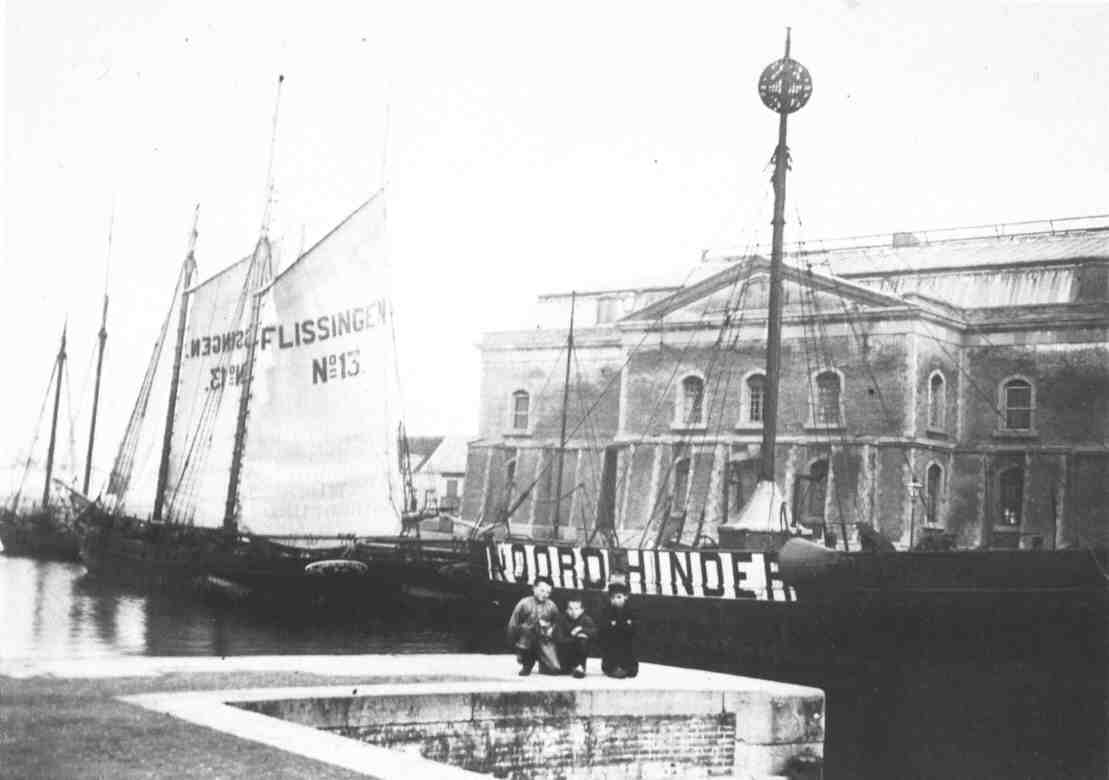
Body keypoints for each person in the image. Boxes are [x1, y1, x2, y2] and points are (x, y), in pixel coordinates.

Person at [505, 576, 562, 675]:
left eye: (548, 592)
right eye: (542, 591)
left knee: (554, 669)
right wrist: (514, 644)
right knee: (527, 630)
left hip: (544, 639)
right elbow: (513, 625)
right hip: (526, 638)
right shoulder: (524, 603)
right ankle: (527, 663)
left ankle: (542, 661)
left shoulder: (552, 606)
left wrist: (550, 628)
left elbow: (558, 624)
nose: (545, 594)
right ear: (534, 588)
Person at [600, 582, 638, 679]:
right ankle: (612, 667)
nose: (616, 600)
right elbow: (604, 626)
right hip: (612, 640)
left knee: (629, 644)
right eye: (612, 598)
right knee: (612, 642)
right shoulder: (607, 609)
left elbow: (634, 625)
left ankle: (628, 667)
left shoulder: (630, 609)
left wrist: (621, 625)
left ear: (626, 597)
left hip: (626, 638)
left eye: (619, 597)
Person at [557, 597, 597, 679]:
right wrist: (575, 638)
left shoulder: (586, 619)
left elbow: (595, 632)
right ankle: (568, 667)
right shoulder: (562, 620)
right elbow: (559, 639)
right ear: (566, 610)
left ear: (582, 610)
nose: (573, 612)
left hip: (580, 651)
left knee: (583, 639)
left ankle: (580, 667)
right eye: (570, 609)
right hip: (565, 651)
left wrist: (581, 629)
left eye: (576, 609)